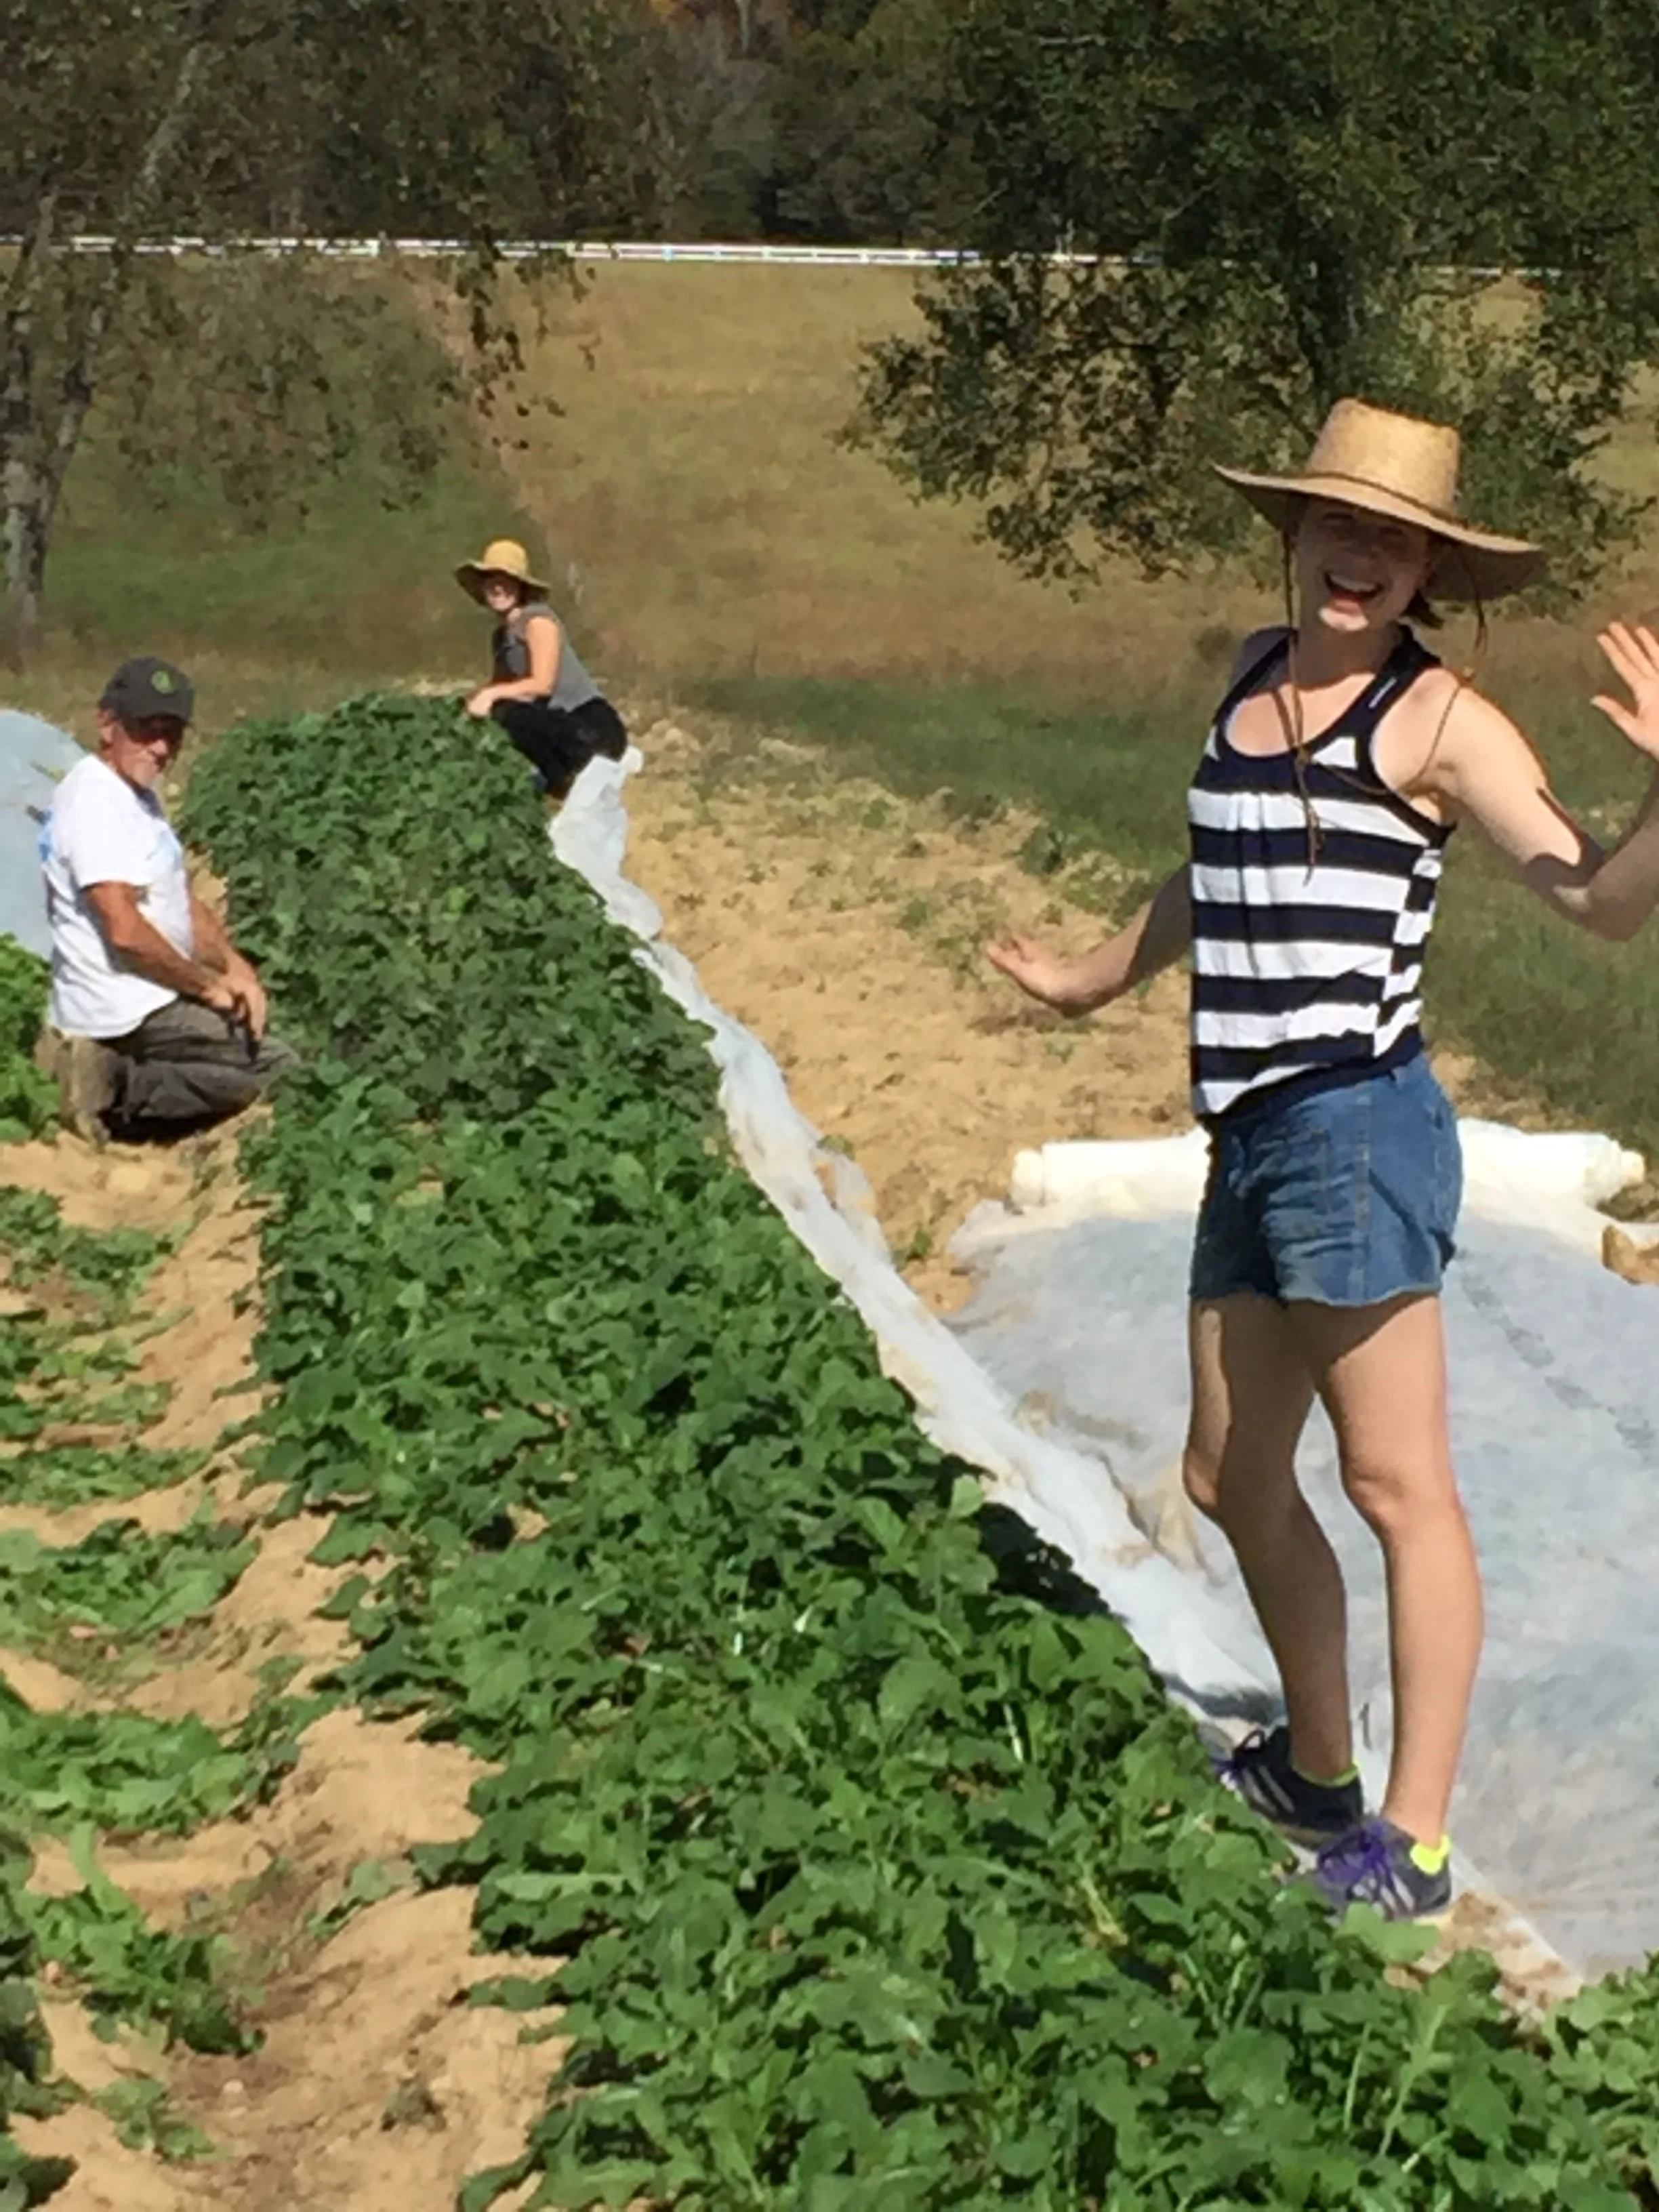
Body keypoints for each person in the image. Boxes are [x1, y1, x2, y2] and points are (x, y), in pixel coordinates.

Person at [987, 398, 1659, 1921]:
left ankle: (1410, 1840)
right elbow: (1215, 867)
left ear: (1430, 575)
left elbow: (1600, 906)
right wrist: (1096, 975)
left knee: (1397, 1483)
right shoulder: (1251, 676)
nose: (1360, 559)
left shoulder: (1439, 724)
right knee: (1226, 1475)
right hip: (1247, 1133)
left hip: (1355, 1126)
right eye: (1339, 525)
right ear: (1294, 534)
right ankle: (1315, 1764)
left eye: (1396, 542)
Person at [37, 655, 298, 1143]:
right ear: (107, 723)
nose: (160, 748)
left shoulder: (135, 793)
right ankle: (118, 1086)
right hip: (127, 1003)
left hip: (153, 989)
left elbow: (174, 895)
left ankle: (118, 1073)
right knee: (283, 1072)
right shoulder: (95, 803)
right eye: (146, 731)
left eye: (172, 734)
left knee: (267, 1048)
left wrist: (233, 966)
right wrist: (208, 988)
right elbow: (126, 932)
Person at [455, 537, 628, 798]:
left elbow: (541, 684)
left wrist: (491, 695)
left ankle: (565, 783)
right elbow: (504, 686)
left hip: (589, 728)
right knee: (503, 712)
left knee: (510, 713)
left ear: (520, 586)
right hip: (557, 728)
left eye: (506, 580)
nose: (498, 587)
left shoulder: (538, 621)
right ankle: (559, 786)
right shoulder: (501, 637)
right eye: (491, 579)